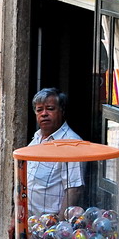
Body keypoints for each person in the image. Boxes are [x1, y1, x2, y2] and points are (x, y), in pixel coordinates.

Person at [26, 87, 83, 218]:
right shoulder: (36, 139)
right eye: (39, 110)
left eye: (50, 109)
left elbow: (74, 190)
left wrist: (57, 229)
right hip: (30, 224)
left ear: (62, 111)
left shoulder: (71, 143)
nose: (44, 114)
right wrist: (15, 217)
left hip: (49, 228)